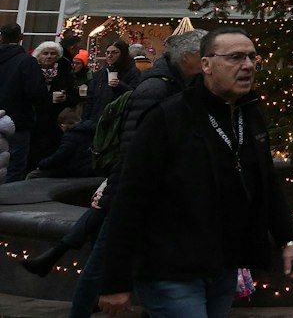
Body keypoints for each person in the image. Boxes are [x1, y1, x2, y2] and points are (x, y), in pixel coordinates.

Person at [96, 28, 293, 318]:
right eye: (235, 57)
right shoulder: (168, 117)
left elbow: (265, 181)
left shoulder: (249, 114)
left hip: (223, 265)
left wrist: (288, 239)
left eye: (252, 57)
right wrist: (115, 281)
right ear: (206, 64)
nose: (247, 65)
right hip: (170, 267)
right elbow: (130, 198)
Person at [24, 27, 205, 318]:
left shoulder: (170, 83)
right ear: (189, 57)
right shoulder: (157, 87)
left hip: (135, 184)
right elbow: (135, 145)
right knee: (103, 256)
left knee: (102, 245)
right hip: (133, 186)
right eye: (207, 55)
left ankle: (59, 262)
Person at [0, 22, 50, 181]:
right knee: (14, 166)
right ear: (20, 37)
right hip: (17, 120)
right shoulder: (26, 61)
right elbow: (36, 91)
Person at [30, 40, 79, 170]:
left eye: (53, 54)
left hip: (56, 121)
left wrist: (65, 98)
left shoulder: (64, 73)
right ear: (39, 56)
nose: (49, 56)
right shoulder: (31, 72)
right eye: (45, 53)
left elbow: (75, 96)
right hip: (34, 120)